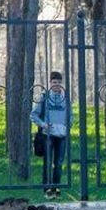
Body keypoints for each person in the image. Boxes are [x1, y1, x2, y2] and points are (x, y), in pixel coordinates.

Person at [30, 71, 72, 199]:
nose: (57, 85)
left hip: (61, 135)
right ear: (50, 83)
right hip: (47, 135)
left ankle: (56, 188)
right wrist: (43, 125)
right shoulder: (44, 97)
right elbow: (34, 114)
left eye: (59, 82)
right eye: (54, 82)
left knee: (58, 163)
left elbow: (70, 115)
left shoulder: (65, 98)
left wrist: (68, 125)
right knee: (47, 163)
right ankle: (47, 189)